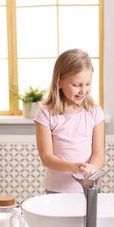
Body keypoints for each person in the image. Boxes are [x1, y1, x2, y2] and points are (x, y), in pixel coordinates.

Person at [34, 48, 105, 193]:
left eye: (88, 84)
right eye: (77, 85)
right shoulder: (46, 114)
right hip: (56, 190)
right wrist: (72, 167)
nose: (83, 90)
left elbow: (99, 153)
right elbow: (46, 156)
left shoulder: (94, 112)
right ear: (59, 82)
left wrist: (92, 167)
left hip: (89, 188)